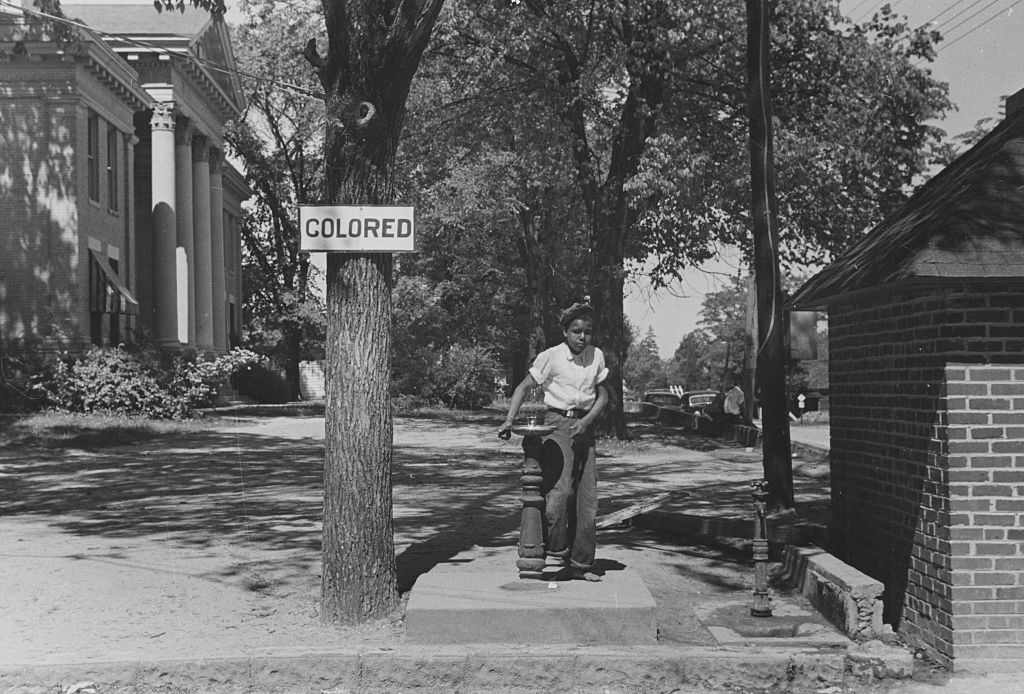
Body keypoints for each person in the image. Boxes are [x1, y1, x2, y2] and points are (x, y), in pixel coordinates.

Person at [498, 298, 609, 582]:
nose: (582, 337)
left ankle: (580, 564)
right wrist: (509, 420)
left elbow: (603, 395)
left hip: (585, 426)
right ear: (565, 332)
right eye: (576, 331)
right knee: (559, 496)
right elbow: (524, 387)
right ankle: (556, 550)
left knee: (587, 500)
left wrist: (586, 422)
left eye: (587, 332)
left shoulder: (596, 356)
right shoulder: (551, 356)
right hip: (557, 424)